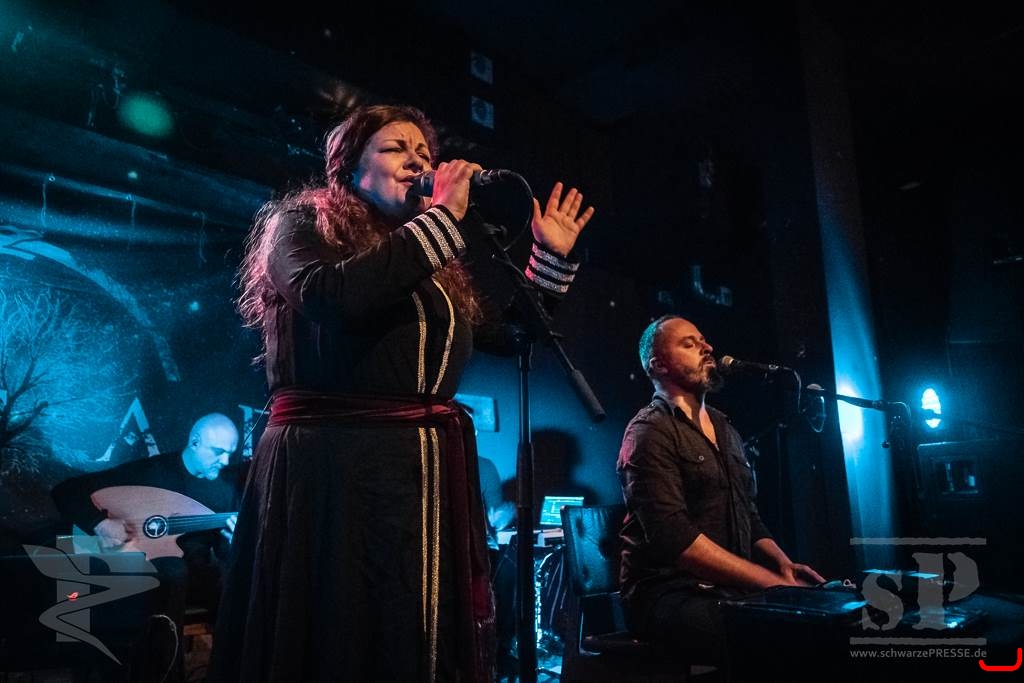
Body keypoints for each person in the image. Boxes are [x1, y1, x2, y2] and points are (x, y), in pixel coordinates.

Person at [208, 103, 594, 682]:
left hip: (419, 470)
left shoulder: (430, 263)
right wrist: (440, 221)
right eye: (396, 148)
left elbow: (509, 336)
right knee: (339, 626)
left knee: (412, 625)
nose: (418, 161)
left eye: (424, 152)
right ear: (349, 167)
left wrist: (549, 258)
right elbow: (331, 296)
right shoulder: (302, 222)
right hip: (333, 465)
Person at [616, 316, 823, 667]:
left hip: (725, 590)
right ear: (658, 365)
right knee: (782, 637)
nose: (707, 348)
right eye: (689, 343)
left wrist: (783, 565)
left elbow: (748, 514)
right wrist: (772, 584)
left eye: (704, 340)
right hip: (667, 595)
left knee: (822, 623)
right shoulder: (649, 432)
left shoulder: (725, 428)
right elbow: (677, 542)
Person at [51, 412, 242, 682]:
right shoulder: (151, 473)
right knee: (171, 571)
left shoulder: (225, 491)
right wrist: (99, 523)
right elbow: (66, 490)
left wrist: (232, 541)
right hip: (143, 575)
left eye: (230, 454)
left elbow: (223, 553)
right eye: (218, 452)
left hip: (194, 578)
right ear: (195, 442)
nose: (225, 462)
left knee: (234, 585)